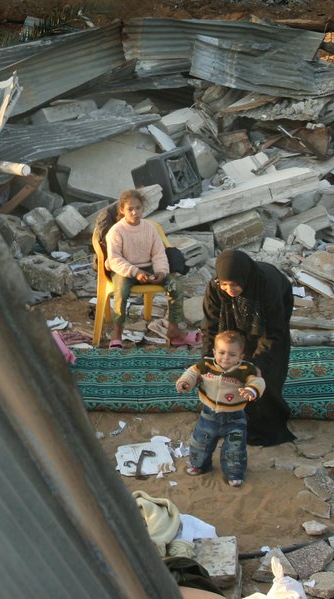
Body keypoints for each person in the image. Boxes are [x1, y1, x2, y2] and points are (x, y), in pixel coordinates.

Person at [201, 249, 296, 447]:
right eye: (225, 284)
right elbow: (210, 326)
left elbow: (272, 333)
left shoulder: (266, 284)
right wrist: (208, 360)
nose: (229, 289)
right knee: (230, 357)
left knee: (262, 374)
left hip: (274, 308)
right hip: (232, 313)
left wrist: (257, 366)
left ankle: (262, 421)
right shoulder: (216, 287)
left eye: (235, 284)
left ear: (244, 278)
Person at [176, 330, 265, 487]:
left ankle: (234, 474)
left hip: (235, 418)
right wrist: (185, 382)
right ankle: (200, 465)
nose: (226, 358)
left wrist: (251, 390)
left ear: (241, 356)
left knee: (235, 449)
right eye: (222, 352)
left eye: (232, 354)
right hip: (208, 416)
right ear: (214, 352)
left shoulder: (245, 370)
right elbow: (192, 372)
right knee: (200, 443)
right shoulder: (206, 365)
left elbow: (258, 381)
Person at [105, 189, 191, 349]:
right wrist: (135, 272)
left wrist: (161, 271)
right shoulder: (116, 231)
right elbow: (114, 259)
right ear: (122, 210)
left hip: (149, 267)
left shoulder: (150, 228)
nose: (134, 212)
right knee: (121, 291)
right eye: (130, 209)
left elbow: (159, 253)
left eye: (138, 208)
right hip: (125, 270)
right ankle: (117, 333)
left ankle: (173, 329)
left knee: (175, 284)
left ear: (143, 208)